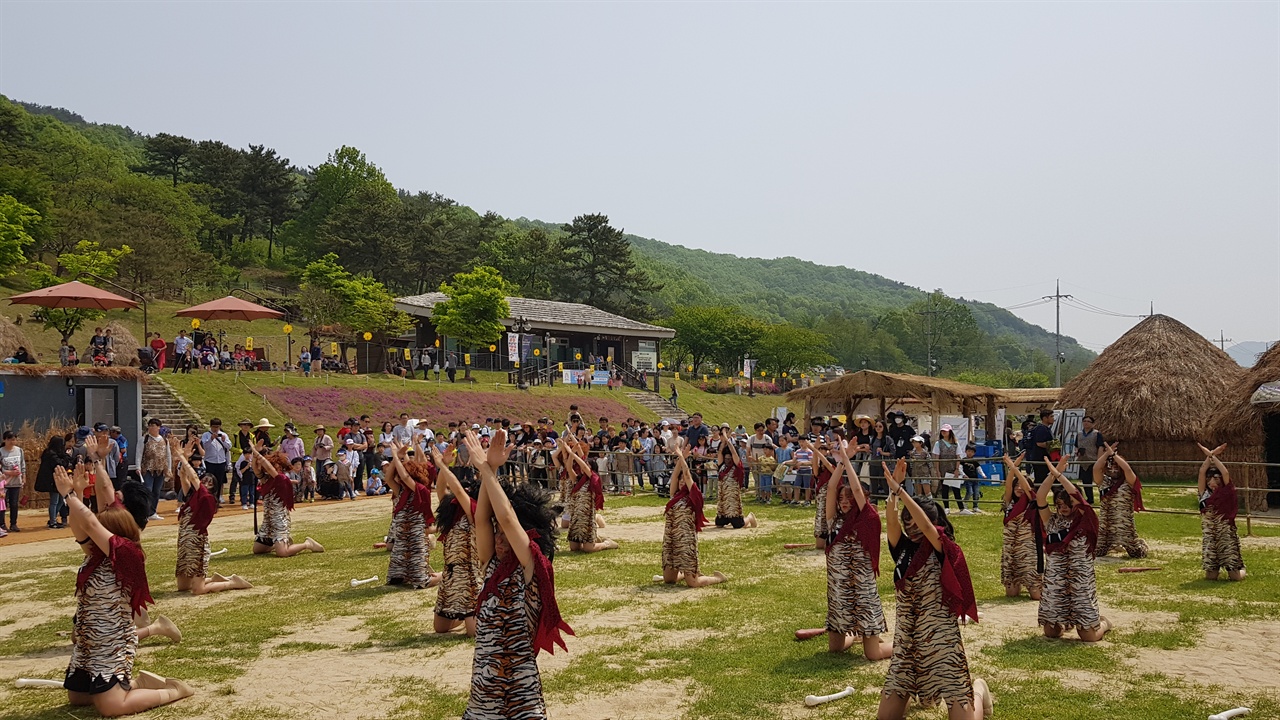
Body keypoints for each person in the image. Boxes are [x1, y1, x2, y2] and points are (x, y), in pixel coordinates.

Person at [53, 460, 195, 717]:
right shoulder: (97, 553)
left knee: (111, 708)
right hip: (89, 638)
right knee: (78, 697)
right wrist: (76, 494)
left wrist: (70, 495)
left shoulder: (128, 553)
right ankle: (136, 684)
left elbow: (91, 525)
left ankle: (175, 690)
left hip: (112, 642)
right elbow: (80, 527)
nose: (98, 525)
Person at [462, 429, 571, 720]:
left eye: (505, 535)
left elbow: (508, 519)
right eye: (496, 534)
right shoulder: (492, 566)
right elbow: (483, 518)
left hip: (520, 695)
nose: (498, 538)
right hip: (484, 694)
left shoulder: (531, 566)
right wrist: (492, 468)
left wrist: (485, 468)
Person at [877, 458, 989, 720]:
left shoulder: (941, 546)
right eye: (908, 521)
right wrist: (893, 491)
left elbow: (927, 527)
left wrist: (902, 490)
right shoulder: (902, 548)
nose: (910, 525)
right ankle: (915, 693)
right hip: (907, 641)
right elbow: (891, 521)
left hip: (941, 640)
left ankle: (979, 691)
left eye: (914, 520)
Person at [805, 444, 891, 659]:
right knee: (834, 650)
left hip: (862, 592)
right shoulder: (833, 520)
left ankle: (907, 646)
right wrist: (841, 462)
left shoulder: (867, 519)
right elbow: (832, 489)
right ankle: (855, 637)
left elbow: (857, 490)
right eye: (842, 500)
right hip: (839, 591)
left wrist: (847, 459)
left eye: (849, 499)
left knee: (872, 655)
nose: (844, 502)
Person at [1037, 456, 1111, 642]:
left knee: (1089, 637)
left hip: (1079, 582)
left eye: (1067, 504)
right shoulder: (1051, 520)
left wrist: (1059, 475)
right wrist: (1051, 476)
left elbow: (1077, 497)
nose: (1063, 508)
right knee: (1051, 633)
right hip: (1056, 583)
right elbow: (1039, 497)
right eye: (1059, 504)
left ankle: (1104, 623)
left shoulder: (1085, 520)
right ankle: (1065, 621)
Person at [168, 436, 252, 595]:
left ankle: (232, 583)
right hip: (185, 542)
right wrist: (185, 456)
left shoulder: (208, 499)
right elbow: (183, 476)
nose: (205, 484)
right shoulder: (193, 496)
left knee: (198, 590)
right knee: (183, 587)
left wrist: (180, 456)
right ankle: (215, 579)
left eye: (210, 483)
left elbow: (192, 477)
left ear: (214, 489)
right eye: (204, 481)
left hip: (197, 544)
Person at [430, 444, 482, 636]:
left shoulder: (473, 510)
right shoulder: (451, 510)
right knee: (440, 628)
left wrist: (442, 466)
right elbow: (441, 488)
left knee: (474, 632)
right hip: (451, 574)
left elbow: (459, 492)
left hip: (470, 574)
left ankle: (473, 617)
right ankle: (461, 617)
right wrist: (444, 464)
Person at [660, 445, 727, 588]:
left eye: (685, 479)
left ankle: (717, 578)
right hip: (671, 539)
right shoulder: (675, 496)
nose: (682, 481)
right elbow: (675, 475)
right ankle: (684, 573)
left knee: (694, 583)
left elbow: (687, 475)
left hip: (685, 541)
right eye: (681, 480)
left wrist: (681, 457)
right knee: (669, 580)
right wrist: (681, 458)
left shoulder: (694, 497)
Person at [247, 443, 324, 557]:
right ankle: (280, 543)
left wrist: (256, 452)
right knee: (258, 550)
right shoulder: (266, 479)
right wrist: (254, 455)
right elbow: (256, 469)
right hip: (268, 520)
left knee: (283, 553)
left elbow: (268, 466)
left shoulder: (281, 479)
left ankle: (307, 544)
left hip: (279, 520)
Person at [384, 442, 439, 589]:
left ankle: (443, 576)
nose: (399, 477)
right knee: (396, 578)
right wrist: (397, 459)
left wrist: (397, 455)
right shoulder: (401, 490)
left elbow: (405, 476)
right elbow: (388, 478)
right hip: (402, 537)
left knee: (421, 581)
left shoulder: (420, 489)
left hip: (415, 539)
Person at [558, 439, 618, 553]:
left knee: (588, 549)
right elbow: (569, 467)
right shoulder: (576, 479)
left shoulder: (593, 478)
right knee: (574, 548)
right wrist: (571, 453)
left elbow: (585, 467)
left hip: (586, 517)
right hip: (576, 517)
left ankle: (607, 543)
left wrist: (572, 453)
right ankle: (595, 540)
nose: (582, 467)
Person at [1197, 443, 1245, 581]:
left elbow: (1225, 473)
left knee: (1235, 577)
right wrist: (1210, 456)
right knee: (1211, 576)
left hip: (1226, 536)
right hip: (1210, 537)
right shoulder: (1204, 494)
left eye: (1216, 479)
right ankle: (1215, 568)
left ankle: (1240, 568)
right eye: (1210, 479)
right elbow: (1202, 471)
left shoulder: (1226, 492)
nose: (1212, 482)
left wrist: (1213, 456)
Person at [998, 454, 1043, 600]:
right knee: (1011, 594)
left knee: (1036, 595)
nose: (1019, 488)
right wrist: (1012, 466)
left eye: (1021, 486)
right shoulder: (1009, 502)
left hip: (1027, 549)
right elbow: (1009, 483)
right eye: (1016, 486)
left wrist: (1014, 467)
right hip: (1010, 548)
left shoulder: (1030, 501)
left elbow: (1026, 487)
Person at [1093, 443, 1147, 558]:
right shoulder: (1104, 482)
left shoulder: (1128, 482)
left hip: (1124, 527)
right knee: (1098, 553)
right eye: (1111, 466)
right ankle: (1113, 545)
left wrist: (1114, 455)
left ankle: (1141, 544)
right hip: (1105, 528)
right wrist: (1107, 454)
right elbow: (1096, 468)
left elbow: (1127, 469)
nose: (1113, 468)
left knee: (1137, 554)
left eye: (1117, 466)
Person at [713, 428, 757, 529]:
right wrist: (723, 441)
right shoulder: (722, 466)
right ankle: (725, 519)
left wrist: (728, 440)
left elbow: (734, 453)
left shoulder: (736, 466)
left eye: (729, 458)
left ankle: (749, 518)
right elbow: (720, 453)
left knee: (738, 525)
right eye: (726, 458)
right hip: (723, 500)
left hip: (732, 500)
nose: (727, 460)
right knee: (719, 524)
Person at [36, 435, 73, 528]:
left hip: (58, 480)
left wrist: (66, 455)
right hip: (52, 481)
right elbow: (60, 464)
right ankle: (52, 522)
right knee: (54, 501)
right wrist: (67, 456)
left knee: (61, 501)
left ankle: (53, 519)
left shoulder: (58, 453)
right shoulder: (50, 454)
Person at [138, 419, 171, 522]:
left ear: (158, 427)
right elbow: (139, 453)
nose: (151, 427)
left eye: (154, 425)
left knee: (156, 491)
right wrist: (138, 466)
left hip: (160, 469)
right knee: (148, 490)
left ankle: (153, 512)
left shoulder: (164, 440)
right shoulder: (144, 439)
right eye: (150, 425)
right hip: (148, 468)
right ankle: (145, 512)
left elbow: (168, 455)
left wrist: (169, 468)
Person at [0, 429, 25, 534]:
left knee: (14, 504)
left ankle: (13, 523)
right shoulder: (1, 451)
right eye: (10, 439)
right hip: (3, 483)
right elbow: (0, 468)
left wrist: (24, 476)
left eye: (14, 439)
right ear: (4, 440)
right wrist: (10, 472)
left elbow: (22, 464)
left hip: (16, 482)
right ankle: (2, 524)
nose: (12, 442)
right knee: (3, 504)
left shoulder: (19, 450)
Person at [1075, 416, 1104, 503]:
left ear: (1092, 424)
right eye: (1084, 421)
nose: (1086, 423)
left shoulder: (1097, 434)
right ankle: (1090, 499)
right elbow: (1076, 446)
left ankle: (1103, 499)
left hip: (1094, 459)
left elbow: (1100, 447)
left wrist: (1099, 460)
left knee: (1099, 481)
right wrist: (1077, 452)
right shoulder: (1079, 434)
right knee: (1086, 482)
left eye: (1088, 421)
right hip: (1083, 460)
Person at [934, 425, 961, 511]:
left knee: (956, 489)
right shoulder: (938, 443)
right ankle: (946, 507)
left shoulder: (956, 443)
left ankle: (961, 508)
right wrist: (937, 470)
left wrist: (957, 469)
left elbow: (958, 457)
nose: (943, 432)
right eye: (942, 431)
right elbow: (936, 458)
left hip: (953, 469)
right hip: (943, 469)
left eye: (945, 431)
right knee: (944, 488)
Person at [1028, 410, 1055, 485]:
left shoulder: (1046, 428)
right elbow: (1039, 443)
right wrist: (1053, 445)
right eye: (1051, 416)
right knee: (1040, 480)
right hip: (1040, 458)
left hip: (1045, 458)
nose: (1053, 418)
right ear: (1045, 418)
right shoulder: (1041, 429)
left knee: (1050, 479)